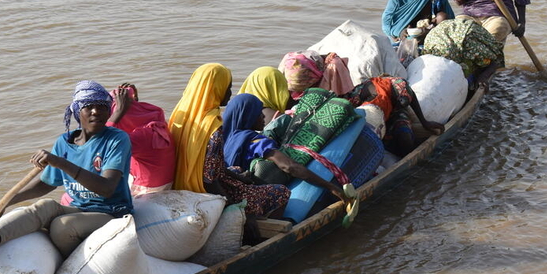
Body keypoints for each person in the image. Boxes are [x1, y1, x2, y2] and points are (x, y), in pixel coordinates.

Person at [0, 80, 133, 262]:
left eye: (102, 106)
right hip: (80, 208)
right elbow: (45, 183)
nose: (96, 111)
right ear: (77, 111)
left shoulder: (116, 140)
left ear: (109, 110)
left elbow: (106, 188)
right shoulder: (64, 142)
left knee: (62, 226)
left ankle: (73, 267)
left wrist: (60, 162)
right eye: (88, 106)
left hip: (112, 212)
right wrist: (5, 202)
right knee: (44, 206)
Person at [168, 63, 290, 217]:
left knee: (239, 171)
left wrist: (239, 178)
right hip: (204, 190)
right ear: (216, 88)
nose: (230, 92)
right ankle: (259, 229)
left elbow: (206, 164)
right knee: (280, 192)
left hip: (183, 184)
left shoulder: (179, 115)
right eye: (228, 87)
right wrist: (235, 207)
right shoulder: (212, 125)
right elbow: (209, 180)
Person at [221, 93, 354, 204]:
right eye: (258, 112)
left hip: (226, 193)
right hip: (243, 196)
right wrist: (331, 187)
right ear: (248, 116)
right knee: (281, 192)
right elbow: (289, 167)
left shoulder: (223, 139)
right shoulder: (255, 142)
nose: (263, 116)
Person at [344, 75, 444, 156]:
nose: (403, 101)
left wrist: (424, 122)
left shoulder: (400, 87)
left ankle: (411, 149)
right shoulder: (361, 91)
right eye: (403, 100)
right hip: (372, 117)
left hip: (395, 112)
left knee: (405, 138)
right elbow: (347, 107)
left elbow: (411, 97)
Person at [106, 83, 175, 196]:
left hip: (148, 190)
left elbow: (102, 144)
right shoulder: (153, 122)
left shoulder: (140, 137)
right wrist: (133, 101)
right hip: (158, 182)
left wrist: (117, 113)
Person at [423, 17, 505, 89]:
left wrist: (483, 77)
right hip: (440, 34)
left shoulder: (472, 46)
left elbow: (494, 62)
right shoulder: (430, 54)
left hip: (466, 32)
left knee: (478, 66)